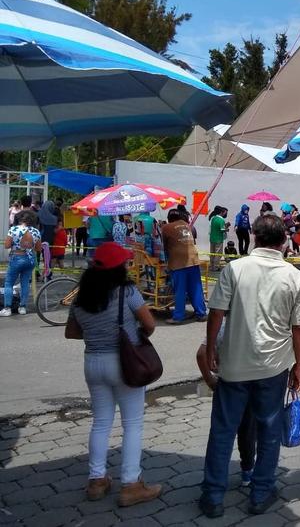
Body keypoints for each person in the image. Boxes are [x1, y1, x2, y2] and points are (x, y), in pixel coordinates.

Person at [200, 215, 300, 518]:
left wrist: (212, 349)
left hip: (234, 365)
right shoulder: (294, 276)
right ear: (284, 242)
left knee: (223, 430)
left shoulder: (234, 269)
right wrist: (298, 367)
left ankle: (212, 495)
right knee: (269, 430)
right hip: (273, 367)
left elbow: (216, 312)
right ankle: (261, 492)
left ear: (254, 236)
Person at [63, 243, 162, 507]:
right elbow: (150, 324)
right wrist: (134, 336)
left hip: (93, 362)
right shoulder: (127, 292)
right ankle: (131, 483)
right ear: (118, 269)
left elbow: (71, 332)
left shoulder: (82, 295)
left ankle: (97, 480)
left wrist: (97, 334)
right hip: (123, 362)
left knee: (101, 422)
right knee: (132, 423)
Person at [196, 320, 257, 487]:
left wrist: (210, 380)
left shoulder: (221, 326)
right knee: (248, 432)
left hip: (225, 384)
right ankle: (248, 472)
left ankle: (213, 485)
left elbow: (201, 354)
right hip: (250, 385)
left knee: (221, 434)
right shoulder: (254, 325)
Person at [161, 209, 207, 325]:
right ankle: (201, 313)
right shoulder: (186, 225)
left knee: (180, 290)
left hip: (178, 262)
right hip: (193, 260)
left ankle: (178, 317)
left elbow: (164, 246)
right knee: (195, 288)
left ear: (169, 218)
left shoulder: (166, 228)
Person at [2, 210, 41, 316]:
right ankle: (22, 307)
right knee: (25, 283)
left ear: (20, 218)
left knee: (9, 283)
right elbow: (38, 248)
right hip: (30, 259)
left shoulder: (13, 229)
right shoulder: (36, 231)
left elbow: (6, 245)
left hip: (16, 258)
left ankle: (7, 308)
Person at [209, 207, 228, 271]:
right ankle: (215, 267)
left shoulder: (213, 218)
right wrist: (227, 229)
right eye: (225, 213)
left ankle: (211, 266)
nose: (225, 214)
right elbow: (222, 229)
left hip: (212, 238)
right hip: (219, 239)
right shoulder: (221, 220)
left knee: (212, 253)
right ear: (221, 212)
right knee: (218, 254)